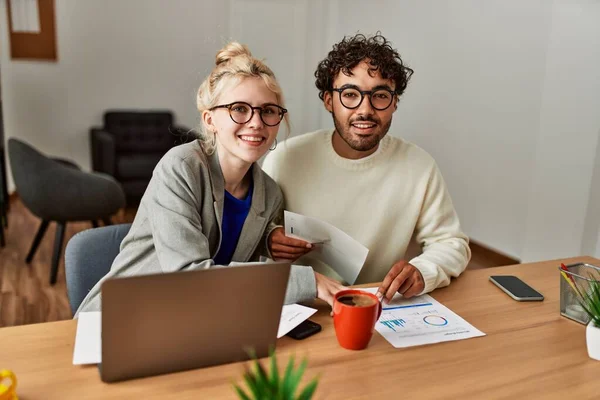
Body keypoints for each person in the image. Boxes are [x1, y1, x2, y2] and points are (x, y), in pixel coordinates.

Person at [76, 42, 343, 315]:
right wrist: (308, 280)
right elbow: (188, 279)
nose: (256, 122)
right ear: (210, 120)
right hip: (123, 318)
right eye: (239, 108)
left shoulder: (270, 193)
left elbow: (238, 264)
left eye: (268, 110)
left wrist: (268, 238)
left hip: (198, 322)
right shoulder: (181, 168)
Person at [262, 33, 471, 303]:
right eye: (350, 94)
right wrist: (270, 239)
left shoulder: (419, 166)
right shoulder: (285, 158)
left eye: (380, 96)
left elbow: (451, 243)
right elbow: (251, 236)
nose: (365, 109)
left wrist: (422, 271)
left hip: (377, 305)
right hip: (300, 305)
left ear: (394, 103)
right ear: (328, 100)